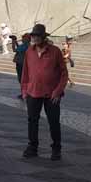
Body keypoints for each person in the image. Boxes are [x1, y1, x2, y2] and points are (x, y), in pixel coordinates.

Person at [21, 23, 68, 161]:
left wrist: (58, 91)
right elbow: (25, 72)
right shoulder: (29, 51)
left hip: (51, 94)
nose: (34, 38)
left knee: (53, 122)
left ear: (43, 37)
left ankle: (56, 149)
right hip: (33, 92)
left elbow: (64, 73)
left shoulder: (55, 51)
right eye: (33, 36)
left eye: (37, 36)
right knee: (32, 121)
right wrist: (24, 90)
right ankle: (32, 147)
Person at [13, 33, 31, 98]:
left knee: (22, 79)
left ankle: (25, 93)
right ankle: (24, 92)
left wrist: (13, 42)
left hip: (22, 64)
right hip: (21, 64)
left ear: (28, 39)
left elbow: (14, 50)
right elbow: (18, 48)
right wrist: (15, 42)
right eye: (23, 38)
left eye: (24, 38)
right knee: (22, 79)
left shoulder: (26, 46)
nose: (22, 39)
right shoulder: (26, 45)